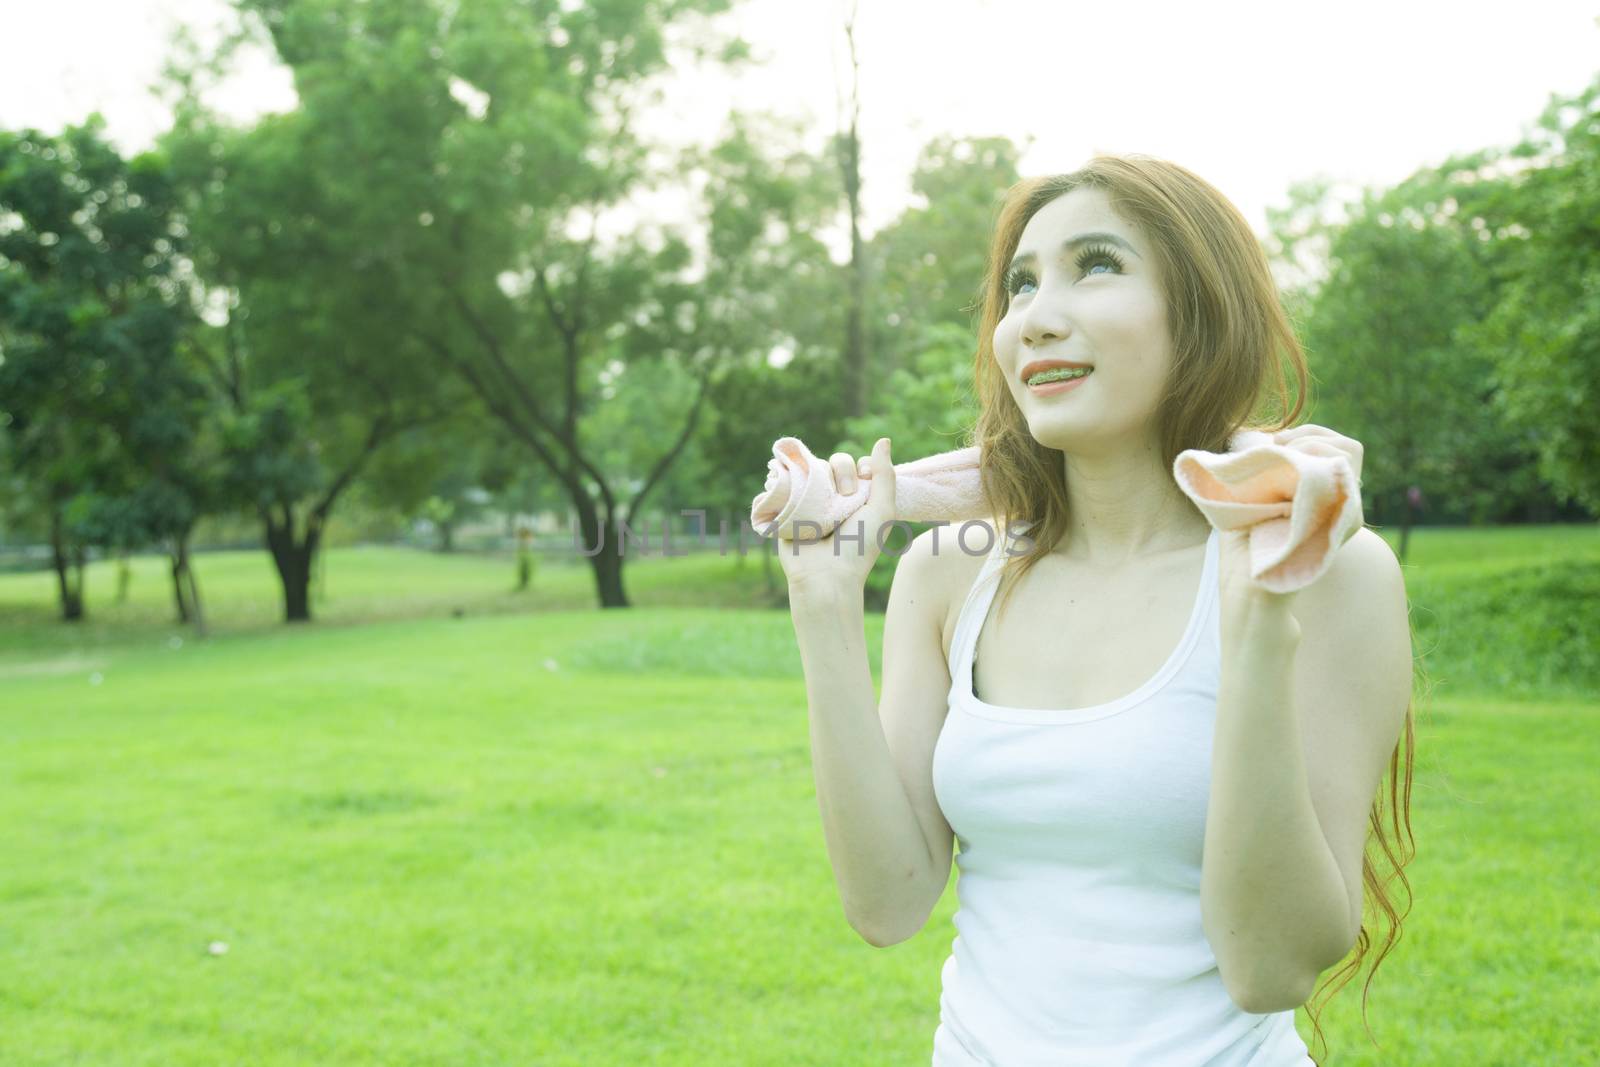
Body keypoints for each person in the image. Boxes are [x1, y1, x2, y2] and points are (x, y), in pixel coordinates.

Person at [777, 156, 1416, 1066]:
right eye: (1021, 284)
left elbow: (1271, 968)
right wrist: (824, 606)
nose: (1034, 317)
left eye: (1098, 265)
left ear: (1200, 312)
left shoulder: (1329, 569)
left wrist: (1257, 624)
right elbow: (888, 903)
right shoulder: (947, 574)